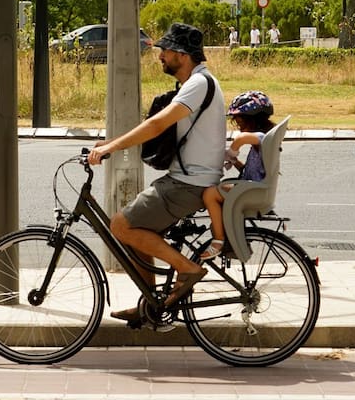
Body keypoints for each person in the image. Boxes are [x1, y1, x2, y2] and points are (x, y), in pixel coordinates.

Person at [87, 22, 225, 324]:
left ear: (183, 55)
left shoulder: (198, 84)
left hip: (188, 184)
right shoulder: (198, 82)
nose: (161, 56)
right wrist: (112, 142)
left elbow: (157, 125)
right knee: (136, 231)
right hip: (188, 179)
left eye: (167, 51)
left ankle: (187, 268)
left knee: (121, 226)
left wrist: (111, 148)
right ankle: (150, 305)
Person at [198, 91, 275, 260]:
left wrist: (232, 151)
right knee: (220, 190)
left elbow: (241, 138)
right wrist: (236, 162)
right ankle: (231, 238)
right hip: (254, 188)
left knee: (209, 194)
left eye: (240, 120)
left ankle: (218, 241)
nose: (237, 124)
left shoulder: (262, 137)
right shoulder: (266, 137)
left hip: (251, 192)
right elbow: (255, 171)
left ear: (253, 118)